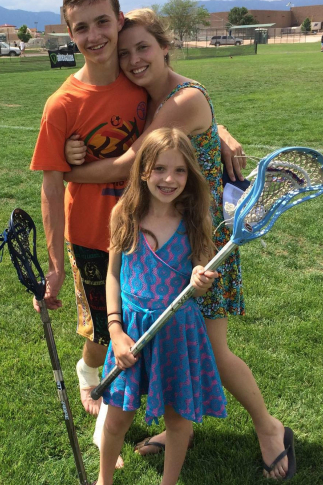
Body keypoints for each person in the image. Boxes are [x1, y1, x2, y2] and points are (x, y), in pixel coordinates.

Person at [64, 8, 296, 480]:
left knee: (211, 350)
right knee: (187, 345)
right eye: (125, 52)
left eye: (143, 48)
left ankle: (270, 428)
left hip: (199, 238)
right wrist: (225, 134)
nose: (132, 59)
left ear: (165, 46)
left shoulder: (178, 98)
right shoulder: (158, 95)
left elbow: (131, 162)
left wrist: (65, 169)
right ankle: (177, 424)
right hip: (173, 230)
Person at [30, 0, 246, 470]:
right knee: (107, 332)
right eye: (81, 27)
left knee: (145, 329)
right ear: (70, 33)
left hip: (158, 231)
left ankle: (122, 409)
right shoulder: (62, 103)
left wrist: (221, 130)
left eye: (103, 21)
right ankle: (102, 409)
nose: (95, 36)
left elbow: (180, 109)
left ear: (119, 19)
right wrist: (55, 261)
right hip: (94, 233)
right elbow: (48, 186)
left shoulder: (135, 80)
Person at [96, 127, 226, 485]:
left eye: (180, 170)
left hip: (179, 333)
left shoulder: (196, 219)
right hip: (131, 333)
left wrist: (199, 280)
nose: (169, 179)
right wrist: (115, 331)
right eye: (159, 169)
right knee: (119, 417)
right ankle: (103, 479)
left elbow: (199, 283)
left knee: (177, 418)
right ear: (142, 171)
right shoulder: (124, 213)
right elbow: (112, 276)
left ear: (190, 174)